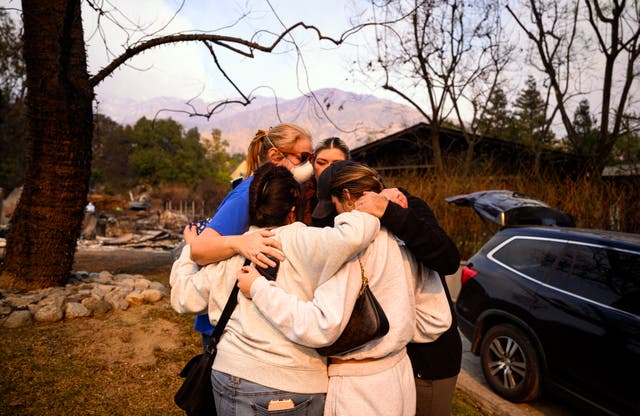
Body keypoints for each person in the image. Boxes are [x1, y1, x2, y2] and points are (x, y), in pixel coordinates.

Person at [238, 161, 453, 416]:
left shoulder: (352, 250)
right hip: (401, 376)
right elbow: (437, 319)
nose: (334, 215)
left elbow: (320, 327)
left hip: (359, 388)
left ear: (348, 196)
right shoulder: (405, 238)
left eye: (335, 205)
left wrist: (259, 288)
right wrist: (394, 334)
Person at [170, 163, 381, 415]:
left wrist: (189, 251)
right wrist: (379, 202)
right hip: (295, 382)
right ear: (293, 210)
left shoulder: (231, 249)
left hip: (230, 374)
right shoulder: (306, 241)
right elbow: (356, 234)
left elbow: (184, 299)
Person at [186, 123, 315, 350]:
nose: (308, 165)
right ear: (275, 156)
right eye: (302, 157)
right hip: (224, 324)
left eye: (310, 157)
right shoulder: (248, 194)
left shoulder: (269, 190)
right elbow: (199, 249)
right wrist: (239, 242)